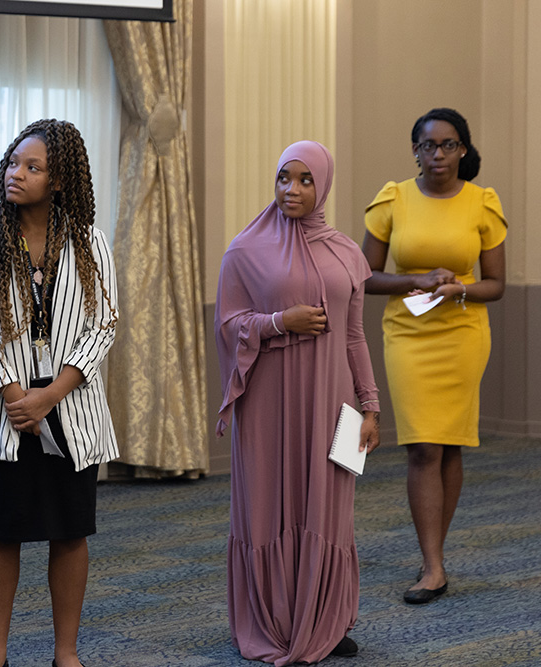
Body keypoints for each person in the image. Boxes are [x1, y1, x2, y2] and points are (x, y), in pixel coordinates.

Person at [215, 141, 380, 665]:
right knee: (267, 504)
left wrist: (371, 407)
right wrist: (278, 323)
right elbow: (227, 325)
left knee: (330, 508)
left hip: (334, 404)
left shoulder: (347, 252)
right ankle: (274, 620)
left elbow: (354, 336)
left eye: (305, 180)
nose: (291, 189)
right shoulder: (245, 250)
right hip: (266, 404)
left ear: (324, 185)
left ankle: (327, 618)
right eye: (284, 177)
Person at [0, 119, 118, 667]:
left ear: (58, 181)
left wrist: (50, 395)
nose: (16, 174)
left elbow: (103, 325)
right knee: (2, 533)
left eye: (33, 167)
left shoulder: (90, 241)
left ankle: (66, 653)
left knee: (70, 533)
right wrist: (15, 396)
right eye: (12, 163)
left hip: (68, 408)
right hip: (6, 414)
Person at [361, 108, 506, 605]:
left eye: (447, 145)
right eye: (427, 145)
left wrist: (458, 289)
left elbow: (496, 285)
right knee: (422, 445)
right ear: (415, 151)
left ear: (463, 149)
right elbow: (364, 276)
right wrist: (415, 281)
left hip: (462, 335)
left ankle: (433, 561)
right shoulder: (394, 199)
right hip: (408, 335)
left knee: (450, 444)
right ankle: (433, 564)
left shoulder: (482, 204)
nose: (437, 154)